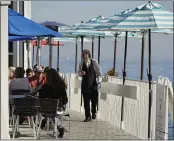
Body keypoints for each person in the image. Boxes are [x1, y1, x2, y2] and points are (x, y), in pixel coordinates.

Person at [38, 68, 68, 138]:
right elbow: (65, 101)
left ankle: (44, 122)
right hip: (59, 110)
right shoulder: (62, 86)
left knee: (50, 111)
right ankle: (59, 128)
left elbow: (40, 99)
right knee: (53, 112)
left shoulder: (45, 87)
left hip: (46, 110)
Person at [78, 49, 102, 122]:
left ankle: (94, 111)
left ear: (89, 54)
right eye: (83, 54)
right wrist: (81, 73)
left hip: (93, 85)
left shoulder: (94, 62)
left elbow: (99, 73)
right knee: (86, 101)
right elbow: (78, 72)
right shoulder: (81, 63)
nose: (85, 55)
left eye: (86, 54)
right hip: (85, 85)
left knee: (94, 100)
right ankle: (88, 116)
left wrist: (98, 81)